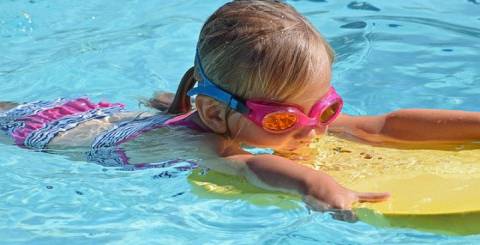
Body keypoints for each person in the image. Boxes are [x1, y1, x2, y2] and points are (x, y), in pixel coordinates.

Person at [1, 0, 479, 211]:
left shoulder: (295, 120)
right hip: (44, 134)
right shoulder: (210, 144)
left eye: (326, 109)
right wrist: (321, 186)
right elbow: (252, 170)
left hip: (98, 114)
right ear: (214, 115)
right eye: (282, 120)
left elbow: (384, 126)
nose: (314, 130)